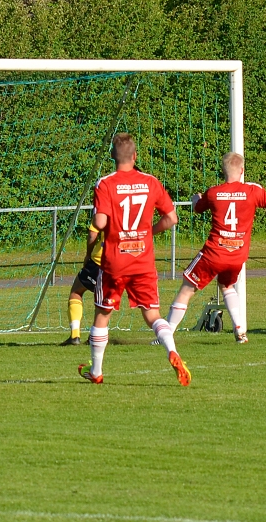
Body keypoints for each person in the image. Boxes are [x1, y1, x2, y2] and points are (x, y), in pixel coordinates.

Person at [78, 133, 190, 385]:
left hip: (114, 262)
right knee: (152, 314)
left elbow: (99, 222)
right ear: (135, 156)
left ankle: (96, 372)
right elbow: (172, 219)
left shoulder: (105, 183)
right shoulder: (151, 182)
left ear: (112, 157)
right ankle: (172, 350)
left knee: (102, 314)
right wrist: (149, 231)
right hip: (143, 260)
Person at [165, 153, 266, 343]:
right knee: (227, 286)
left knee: (187, 288)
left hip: (214, 253)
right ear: (242, 170)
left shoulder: (213, 192)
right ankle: (240, 331)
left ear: (223, 171)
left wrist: (195, 198)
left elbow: (198, 207)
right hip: (237, 254)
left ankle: (165, 334)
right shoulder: (252, 191)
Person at [61, 224, 103, 346]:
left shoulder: (105, 207)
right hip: (124, 261)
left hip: (100, 261)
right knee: (104, 301)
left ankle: (75, 335)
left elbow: (92, 234)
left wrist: (88, 254)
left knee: (76, 291)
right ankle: (95, 335)